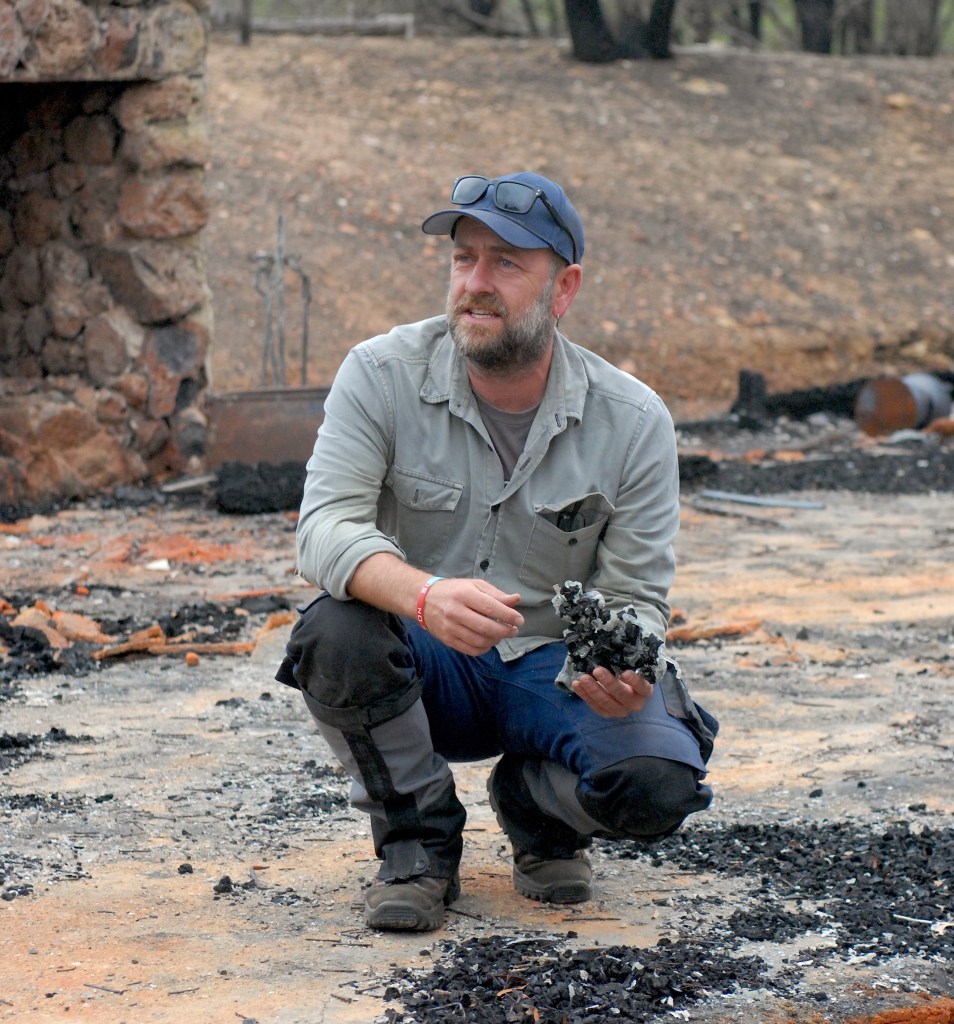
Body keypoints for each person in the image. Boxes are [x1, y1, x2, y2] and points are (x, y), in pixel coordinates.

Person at [276, 171, 718, 932]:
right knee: (334, 631)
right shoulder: (379, 375)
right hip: (426, 663)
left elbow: (637, 595)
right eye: (464, 258)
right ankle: (418, 844)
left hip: (554, 673)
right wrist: (423, 596)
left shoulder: (634, 419)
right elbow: (323, 529)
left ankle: (537, 809)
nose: (475, 283)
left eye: (506, 262)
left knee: (658, 782)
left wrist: (624, 671)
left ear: (564, 288)